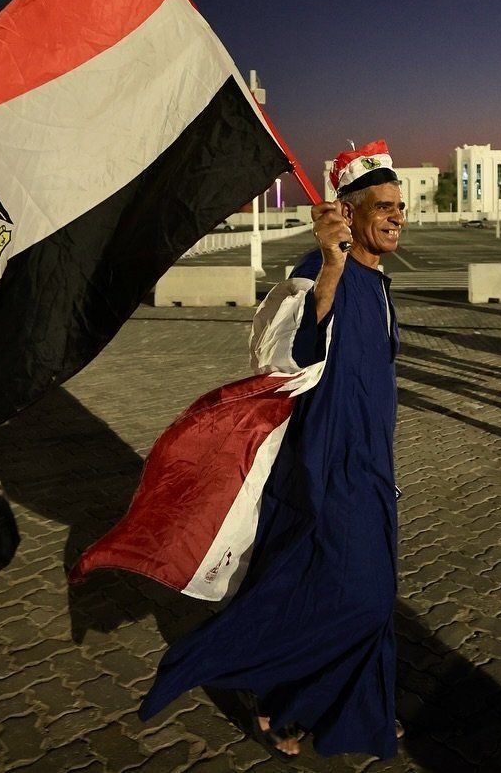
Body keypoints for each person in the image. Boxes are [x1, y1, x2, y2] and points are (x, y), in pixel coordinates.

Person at [140, 141, 404, 760]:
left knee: (349, 585)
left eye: (401, 207)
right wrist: (332, 267)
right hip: (322, 463)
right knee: (360, 594)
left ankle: (342, 704)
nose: (397, 217)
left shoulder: (382, 283)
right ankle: (256, 681)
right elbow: (285, 355)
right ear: (349, 211)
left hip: (371, 461)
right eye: (384, 206)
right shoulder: (318, 271)